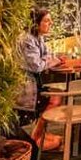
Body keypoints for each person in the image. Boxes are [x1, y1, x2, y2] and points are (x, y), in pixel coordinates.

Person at [17, 8, 64, 151]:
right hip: (25, 87)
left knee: (56, 96)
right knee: (55, 98)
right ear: (35, 23)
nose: (50, 23)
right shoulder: (27, 39)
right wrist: (52, 60)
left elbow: (47, 57)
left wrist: (51, 59)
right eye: (46, 20)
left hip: (35, 82)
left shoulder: (38, 37)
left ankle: (37, 135)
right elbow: (37, 65)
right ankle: (35, 139)